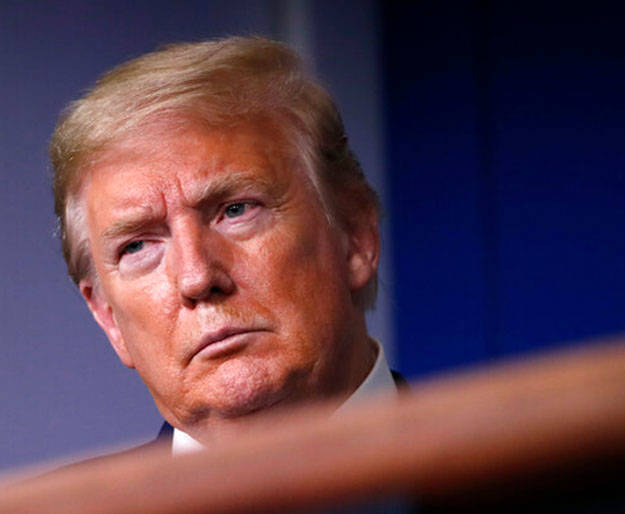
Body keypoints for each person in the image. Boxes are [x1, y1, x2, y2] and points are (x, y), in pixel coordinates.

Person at [49, 36, 400, 454]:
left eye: (235, 210)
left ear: (355, 236)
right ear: (107, 316)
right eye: (138, 246)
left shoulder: (497, 490)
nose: (197, 278)